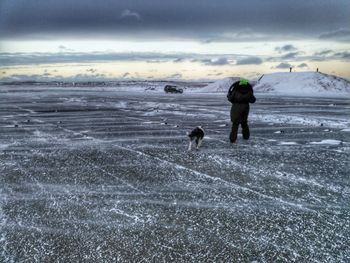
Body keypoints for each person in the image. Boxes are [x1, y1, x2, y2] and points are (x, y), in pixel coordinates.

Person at [227, 79, 256, 143]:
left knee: (235, 123)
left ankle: (233, 139)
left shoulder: (235, 90)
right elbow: (253, 100)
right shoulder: (249, 91)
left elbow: (230, 98)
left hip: (236, 107)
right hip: (245, 107)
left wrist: (229, 95)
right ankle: (246, 137)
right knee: (244, 122)